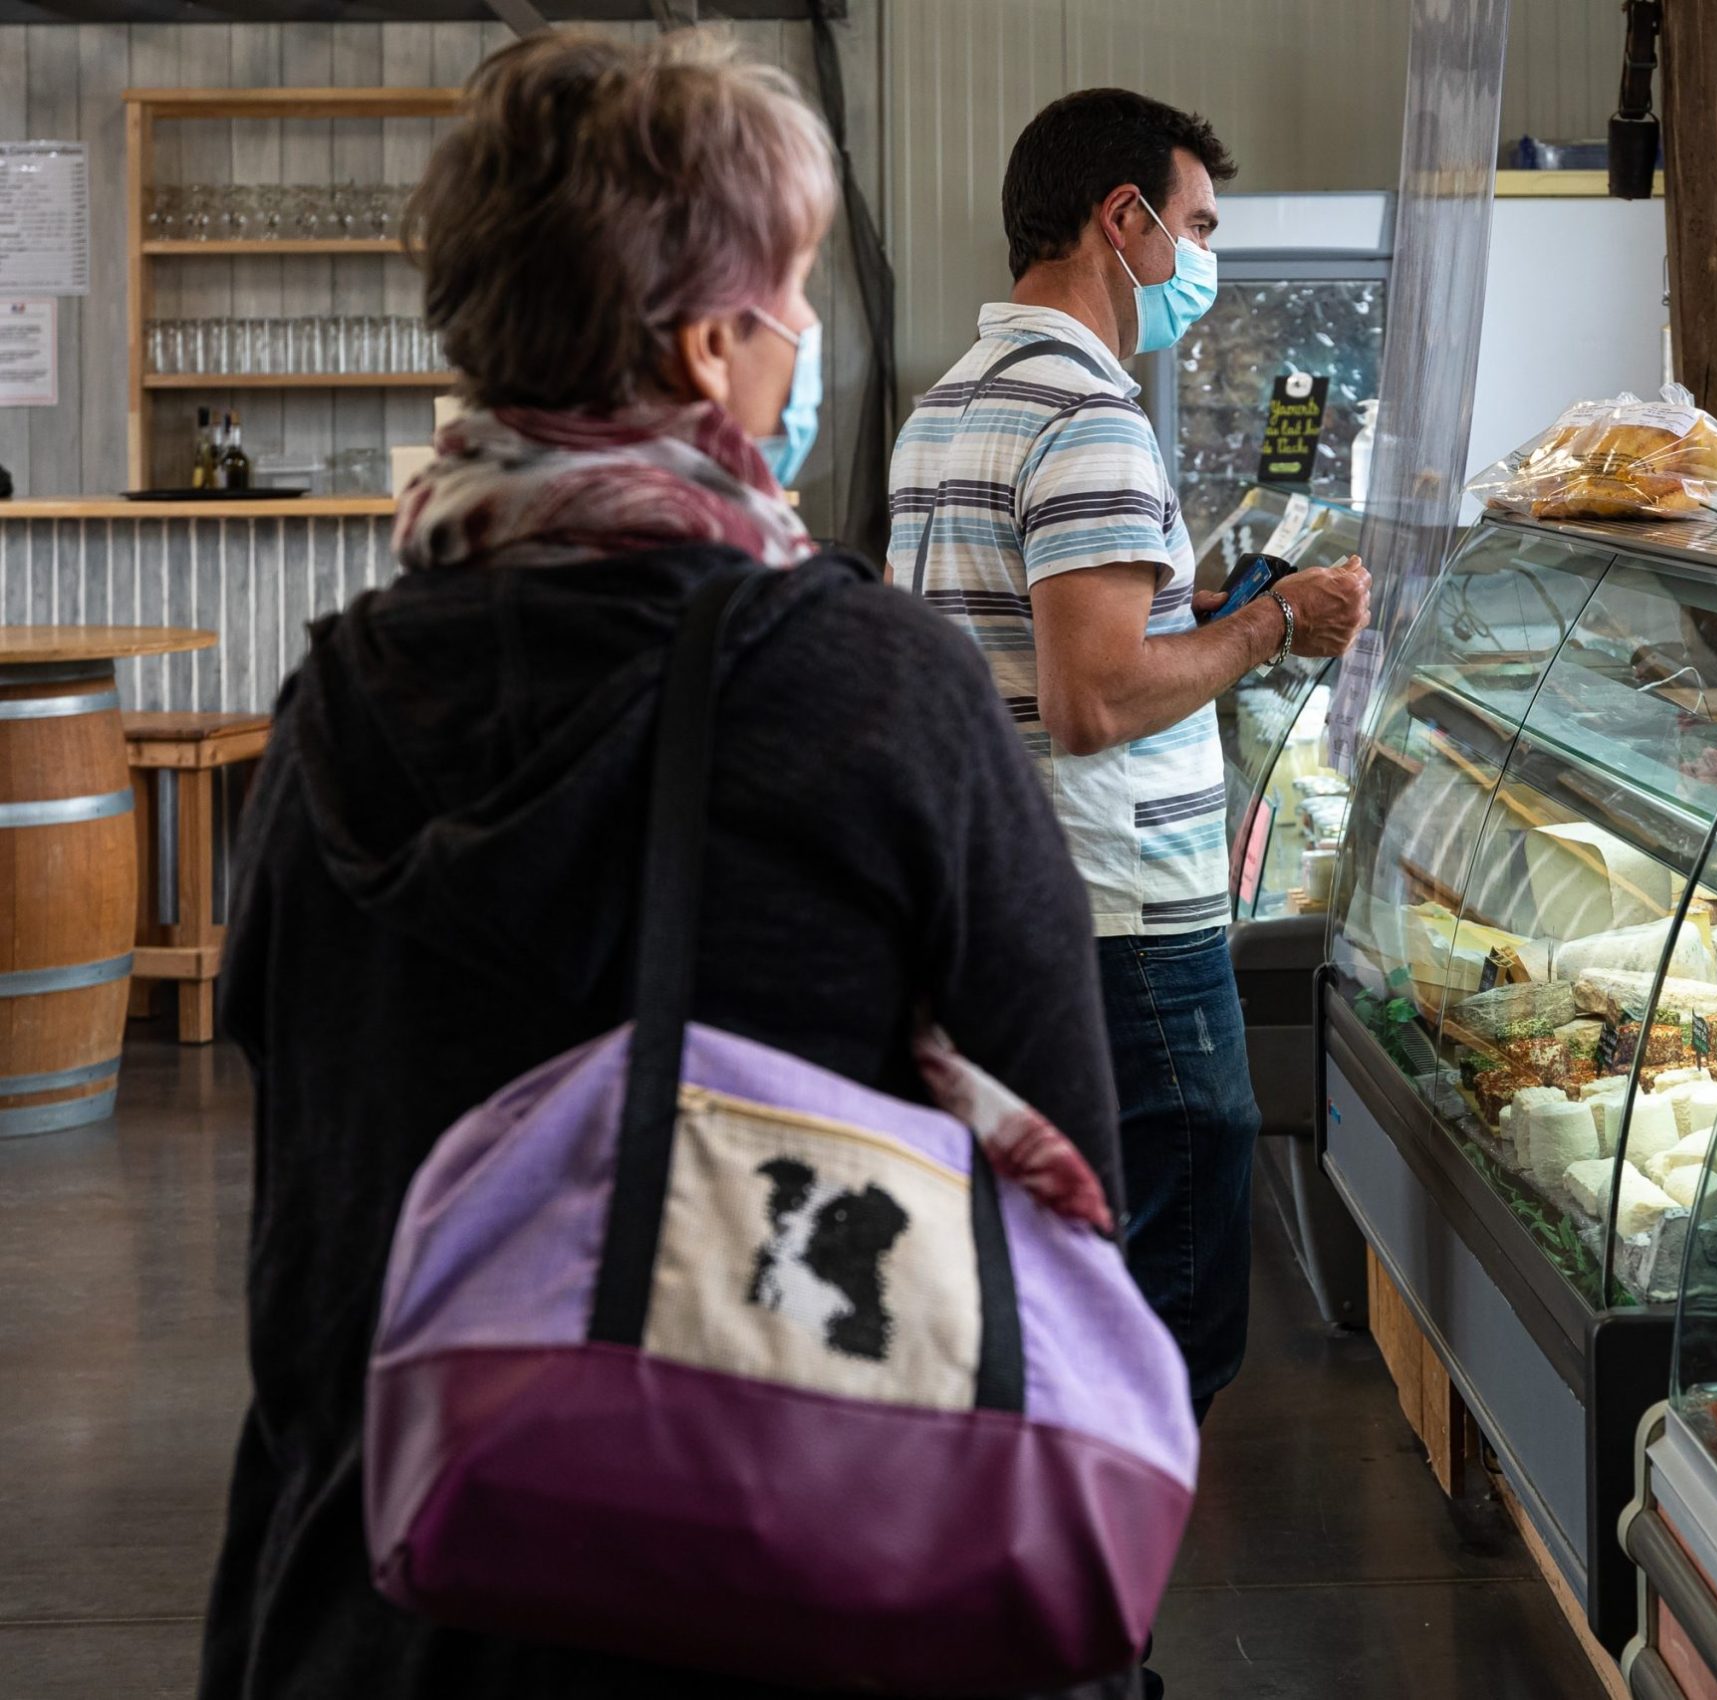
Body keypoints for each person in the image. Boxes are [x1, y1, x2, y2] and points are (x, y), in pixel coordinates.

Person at [201, 32, 1135, 1700]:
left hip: (396, 1598)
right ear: (713, 344)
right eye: (797, 295)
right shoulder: (879, 694)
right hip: (784, 1587)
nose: (809, 340)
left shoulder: (331, 707)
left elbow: (307, 1211)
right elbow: (1067, 1193)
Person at [887, 89, 1371, 1419]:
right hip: (1122, 916)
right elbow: (1091, 699)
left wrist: (1188, 611)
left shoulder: (951, 404)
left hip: (1002, 896)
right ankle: (1114, 1546)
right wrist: (1274, 624)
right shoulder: (1089, 417)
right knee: (1170, 1295)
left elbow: (1024, 643)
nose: (1203, 259)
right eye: (1196, 227)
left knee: (1042, 1278)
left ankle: (1038, 1538)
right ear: (1123, 219)